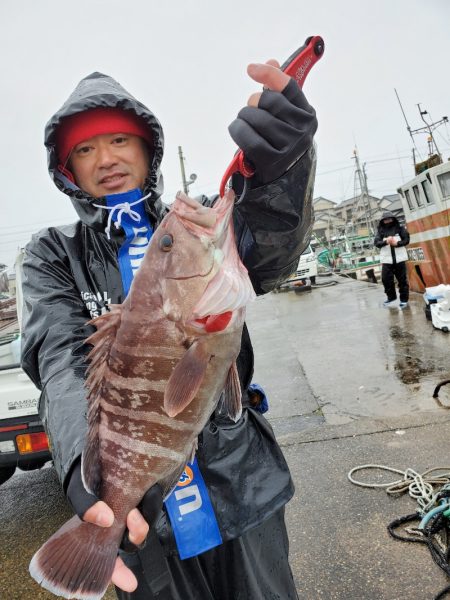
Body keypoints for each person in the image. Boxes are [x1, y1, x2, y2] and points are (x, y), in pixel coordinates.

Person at [21, 59, 318, 599]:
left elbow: (273, 250)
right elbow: (61, 362)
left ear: (147, 147)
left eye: (118, 140)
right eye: (85, 149)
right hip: (146, 522)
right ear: (66, 168)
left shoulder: (196, 223)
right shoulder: (52, 255)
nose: (106, 159)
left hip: (241, 483)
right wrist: (85, 485)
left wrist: (285, 169)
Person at [374, 211, 410, 308]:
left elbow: (406, 240)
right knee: (386, 280)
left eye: (389, 219)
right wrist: (386, 241)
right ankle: (391, 297)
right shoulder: (380, 231)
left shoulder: (400, 229)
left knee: (402, 281)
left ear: (393, 219)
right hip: (387, 260)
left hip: (400, 259)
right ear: (383, 221)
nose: (388, 221)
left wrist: (397, 244)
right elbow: (377, 243)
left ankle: (404, 300)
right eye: (385, 220)